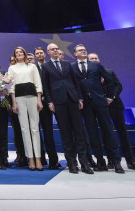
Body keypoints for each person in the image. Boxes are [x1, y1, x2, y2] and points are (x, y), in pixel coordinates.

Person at [40, 44, 93, 174]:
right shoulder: (45, 67)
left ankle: (84, 163)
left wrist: (80, 98)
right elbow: (45, 86)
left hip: (73, 100)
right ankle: (71, 163)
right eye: (53, 49)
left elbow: (75, 83)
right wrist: (49, 102)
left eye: (57, 48)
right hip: (58, 102)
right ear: (48, 52)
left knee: (79, 132)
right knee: (66, 134)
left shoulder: (67, 64)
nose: (56, 50)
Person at [72, 44, 124, 174]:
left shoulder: (96, 65)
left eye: (84, 50)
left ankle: (116, 162)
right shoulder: (72, 67)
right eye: (80, 50)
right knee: (92, 133)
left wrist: (110, 96)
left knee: (108, 131)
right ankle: (100, 161)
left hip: (100, 102)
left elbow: (110, 81)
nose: (83, 51)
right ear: (75, 53)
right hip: (86, 105)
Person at [88, 53, 135, 170]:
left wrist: (111, 97)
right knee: (106, 133)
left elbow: (118, 85)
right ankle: (111, 161)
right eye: (91, 59)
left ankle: (131, 161)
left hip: (115, 105)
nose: (94, 60)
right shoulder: (89, 76)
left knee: (123, 133)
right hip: (101, 107)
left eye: (95, 58)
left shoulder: (109, 71)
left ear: (99, 59)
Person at [8, 47, 44, 171]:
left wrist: (39, 99)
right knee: (24, 129)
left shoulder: (32, 67)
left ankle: (38, 158)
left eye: (21, 52)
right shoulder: (12, 68)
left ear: (24, 54)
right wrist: (14, 102)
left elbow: (38, 82)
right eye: (16, 53)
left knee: (35, 128)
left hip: (33, 97)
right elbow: (11, 87)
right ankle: (31, 159)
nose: (19, 54)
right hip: (19, 98)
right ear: (15, 55)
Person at [33, 47, 59, 169]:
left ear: (45, 54)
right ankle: (41, 159)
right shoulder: (32, 68)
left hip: (48, 103)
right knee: (36, 132)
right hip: (35, 104)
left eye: (41, 53)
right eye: (37, 53)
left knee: (49, 133)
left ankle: (53, 160)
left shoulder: (50, 66)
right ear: (35, 56)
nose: (39, 55)